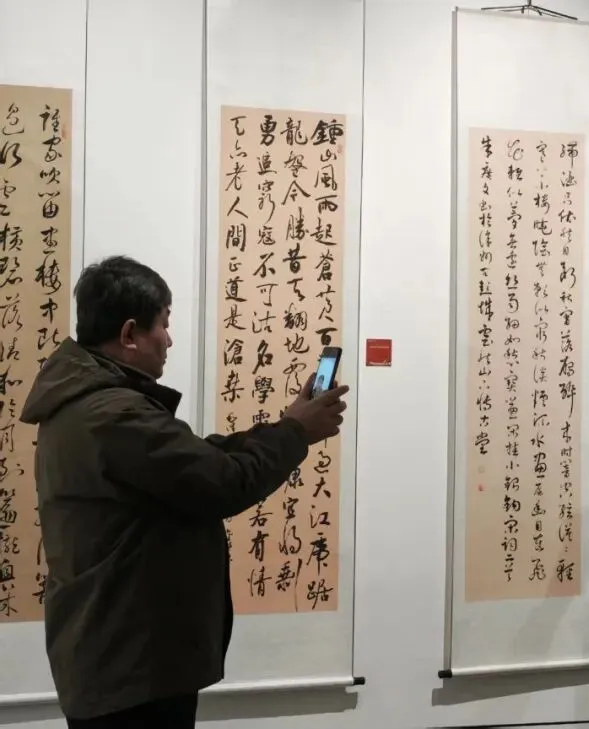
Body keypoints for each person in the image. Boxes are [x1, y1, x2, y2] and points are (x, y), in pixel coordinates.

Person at [19, 256, 350, 729]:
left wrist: (286, 425)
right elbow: (222, 482)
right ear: (130, 334)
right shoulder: (115, 415)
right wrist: (296, 432)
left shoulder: (88, 403)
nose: (169, 339)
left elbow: (196, 459)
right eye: (164, 324)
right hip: (131, 665)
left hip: (114, 652)